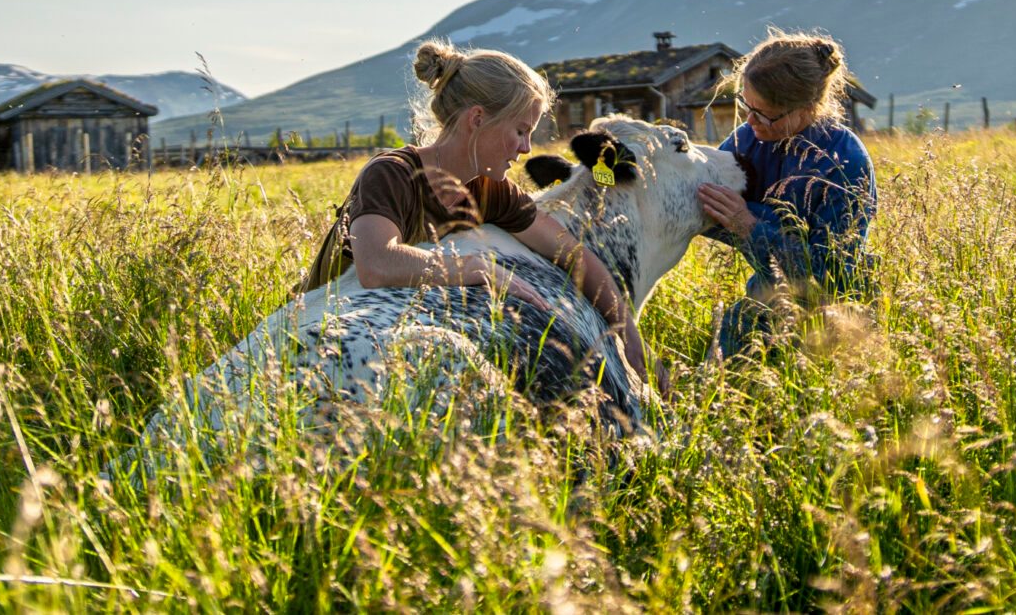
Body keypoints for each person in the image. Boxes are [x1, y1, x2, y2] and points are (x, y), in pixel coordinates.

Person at [298, 39, 656, 384]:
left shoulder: (490, 190)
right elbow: (376, 264)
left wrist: (629, 335)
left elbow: (574, 255)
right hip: (316, 340)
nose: (527, 148)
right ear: (478, 118)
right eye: (520, 130)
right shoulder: (391, 173)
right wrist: (477, 268)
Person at [696, 30, 877, 357]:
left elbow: (827, 277)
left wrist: (748, 224)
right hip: (759, 306)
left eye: (763, 113)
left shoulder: (845, 164)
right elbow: (706, 197)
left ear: (805, 108)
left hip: (833, 324)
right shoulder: (748, 139)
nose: (750, 120)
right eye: (745, 105)